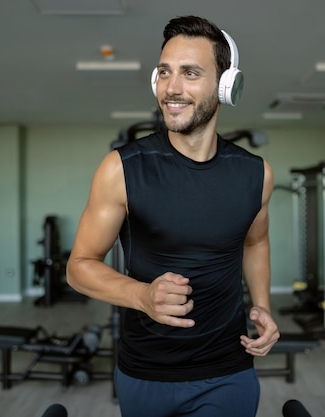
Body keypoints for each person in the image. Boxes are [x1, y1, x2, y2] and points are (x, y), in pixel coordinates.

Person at [66, 15, 280, 417]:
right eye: (164, 73)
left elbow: (256, 241)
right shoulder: (121, 168)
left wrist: (264, 305)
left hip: (227, 369)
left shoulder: (256, 174)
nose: (172, 88)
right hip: (146, 373)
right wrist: (142, 296)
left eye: (190, 73)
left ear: (225, 84)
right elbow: (79, 266)